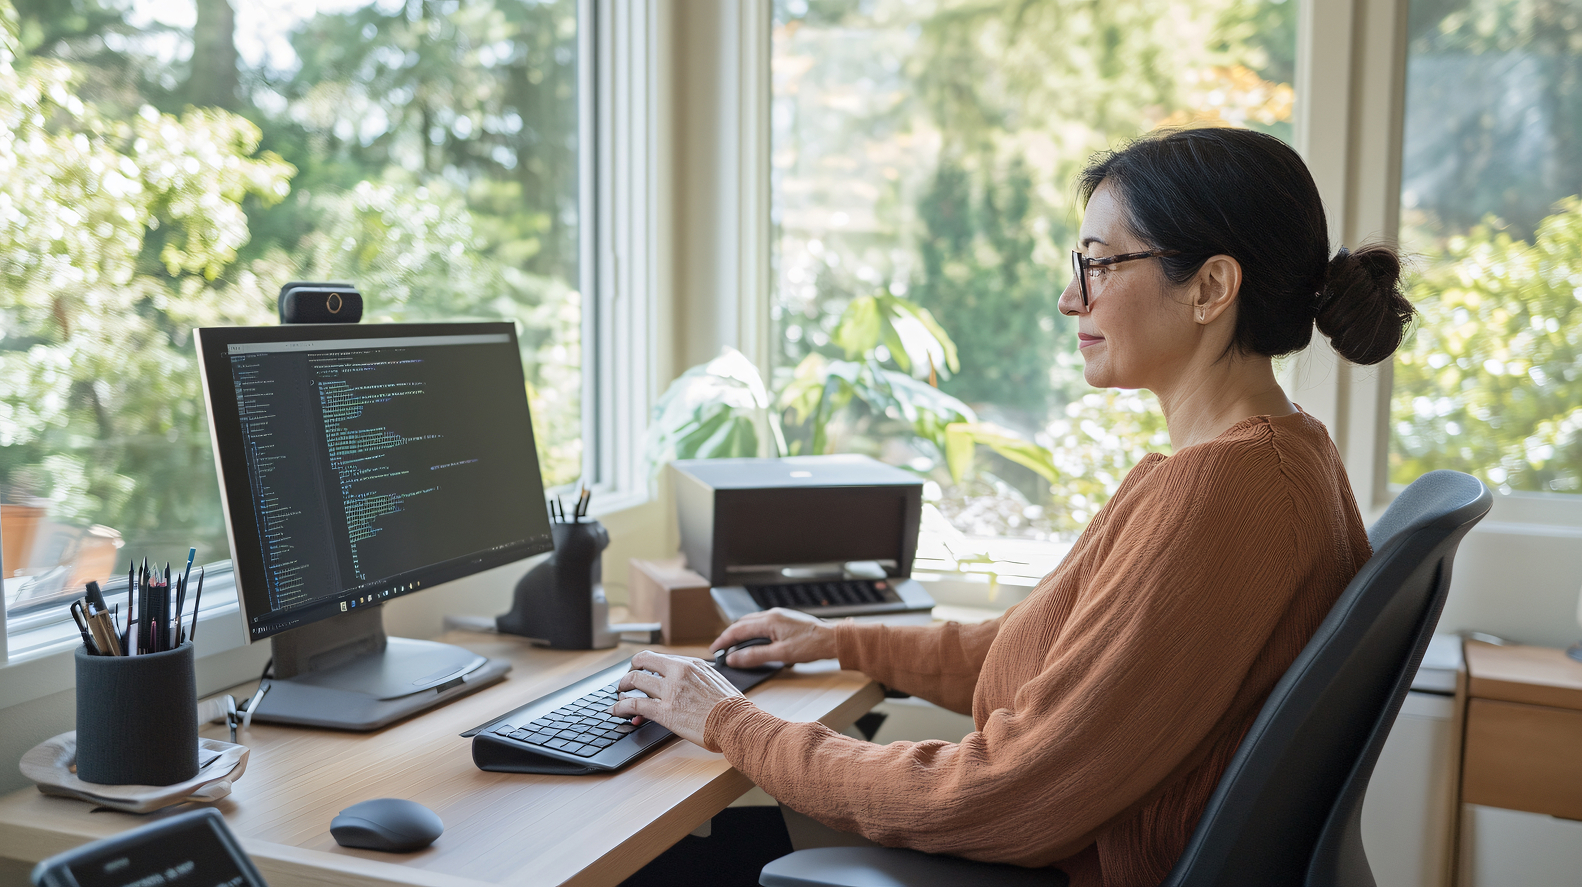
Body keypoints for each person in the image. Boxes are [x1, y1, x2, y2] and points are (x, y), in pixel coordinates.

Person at [612, 126, 1417, 887]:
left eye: (1099, 264)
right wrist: (837, 638)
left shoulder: (1223, 494)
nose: (1072, 298)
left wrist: (731, 723)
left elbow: (1001, 791)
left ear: (1211, 287)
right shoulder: (1275, 456)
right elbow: (1058, 652)